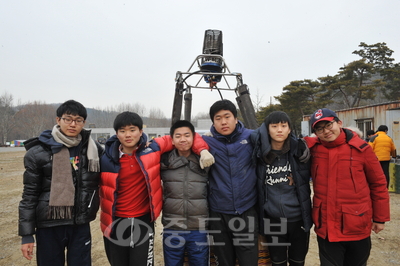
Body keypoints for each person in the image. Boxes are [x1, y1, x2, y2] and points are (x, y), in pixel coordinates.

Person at [99, 112, 213, 266]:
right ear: (116, 133)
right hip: (115, 221)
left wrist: (203, 150)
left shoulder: (152, 149)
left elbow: (184, 136)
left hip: (143, 219)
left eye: (132, 130)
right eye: (122, 131)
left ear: (141, 132)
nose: (128, 135)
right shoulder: (105, 158)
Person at [18, 100, 104, 266]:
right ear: (58, 120)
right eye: (68, 119)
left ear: (84, 123)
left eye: (78, 120)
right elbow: (29, 195)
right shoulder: (38, 153)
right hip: (49, 225)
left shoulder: (93, 150)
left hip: (80, 223)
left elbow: (117, 157)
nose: (73, 124)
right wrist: (27, 235)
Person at [304, 108, 390, 266]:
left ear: (339, 123)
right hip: (326, 228)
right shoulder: (313, 150)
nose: (326, 131)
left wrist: (380, 217)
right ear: (315, 133)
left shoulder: (362, 149)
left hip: (357, 225)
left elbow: (378, 184)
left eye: (329, 125)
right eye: (319, 128)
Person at [202, 99, 259, 266]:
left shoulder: (251, 137)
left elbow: (279, 136)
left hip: (246, 210)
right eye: (218, 118)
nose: (223, 122)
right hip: (218, 212)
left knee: (249, 260)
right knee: (223, 260)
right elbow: (178, 137)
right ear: (213, 121)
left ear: (236, 118)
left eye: (227, 116)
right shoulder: (207, 141)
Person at [251, 111, 312, 266]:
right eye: (274, 126)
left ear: (290, 129)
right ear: (266, 129)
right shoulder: (258, 154)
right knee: (277, 262)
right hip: (273, 219)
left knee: (298, 261)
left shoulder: (300, 151)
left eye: (284, 126)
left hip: (298, 218)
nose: (279, 130)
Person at [161, 120, 210, 266]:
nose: (183, 139)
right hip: (172, 227)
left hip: (198, 228)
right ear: (172, 140)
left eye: (187, 135)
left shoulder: (205, 160)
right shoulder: (164, 161)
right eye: (178, 136)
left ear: (194, 138)